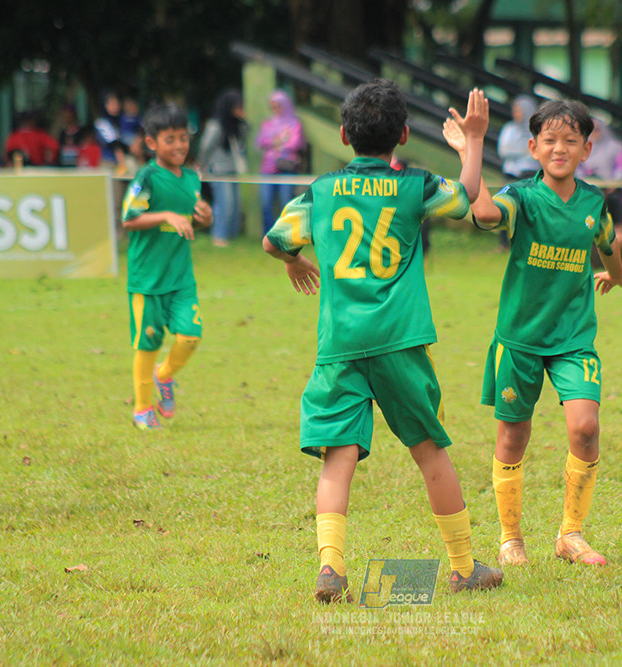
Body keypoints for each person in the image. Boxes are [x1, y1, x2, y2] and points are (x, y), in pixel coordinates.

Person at [262, 79, 503, 603]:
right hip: (400, 340)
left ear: (344, 135)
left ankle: (331, 566)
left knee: (338, 455)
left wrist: (295, 262)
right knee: (429, 451)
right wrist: (475, 140)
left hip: (341, 345)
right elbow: (464, 200)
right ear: (405, 134)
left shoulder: (322, 190)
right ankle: (462, 566)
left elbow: (274, 240)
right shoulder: (414, 185)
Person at [444, 99, 622, 568]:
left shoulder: (592, 202)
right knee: (513, 437)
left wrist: (617, 274)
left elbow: (607, 242)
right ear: (532, 147)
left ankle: (571, 534)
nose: (560, 148)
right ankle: (511, 539)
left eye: (571, 140)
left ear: (587, 149)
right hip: (520, 340)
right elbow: (485, 214)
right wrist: (473, 145)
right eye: (549, 140)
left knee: (586, 428)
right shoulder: (521, 197)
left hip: (573, 339)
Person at [120, 103, 213, 430]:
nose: (179, 146)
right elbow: (129, 220)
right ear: (151, 143)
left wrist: (205, 219)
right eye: (170, 139)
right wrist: (166, 216)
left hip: (181, 278)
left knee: (190, 336)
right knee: (147, 344)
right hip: (147, 280)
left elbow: (189, 222)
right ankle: (143, 410)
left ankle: (165, 375)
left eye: (183, 138)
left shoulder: (191, 178)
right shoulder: (146, 177)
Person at [577, 116, 622, 256]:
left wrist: (613, 184)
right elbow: (577, 170)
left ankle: (619, 247)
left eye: (597, 130)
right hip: (587, 191)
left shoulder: (615, 147)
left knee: (615, 207)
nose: (595, 133)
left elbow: (621, 169)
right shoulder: (580, 149)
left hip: (611, 189)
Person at [198, 89, 248, 246]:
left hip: (233, 169)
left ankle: (231, 235)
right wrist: (201, 164)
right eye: (237, 106)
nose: (240, 109)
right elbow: (205, 147)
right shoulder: (216, 125)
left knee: (235, 204)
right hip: (218, 171)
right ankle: (219, 236)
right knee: (224, 203)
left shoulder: (239, 126)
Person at [256, 89, 306, 234]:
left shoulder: (294, 123)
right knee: (266, 203)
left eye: (278, 105)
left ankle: (286, 235)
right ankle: (270, 235)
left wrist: (275, 143)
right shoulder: (268, 123)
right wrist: (279, 140)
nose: (275, 109)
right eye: (272, 106)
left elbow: (295, 144)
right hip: (268, 169)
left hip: (287, 168)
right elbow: (261, 141)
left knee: (287, 204)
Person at [496, 96, 541, 250]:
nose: (516, 113)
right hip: (511, 174)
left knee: (529, 209)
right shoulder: (509, 128)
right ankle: (504, 243)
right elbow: (503, 150)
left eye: (519, 110)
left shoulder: (537, 130)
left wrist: (519, 150)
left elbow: (537, 152)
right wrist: (523, 150)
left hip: (530, 173)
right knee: (504, 205)